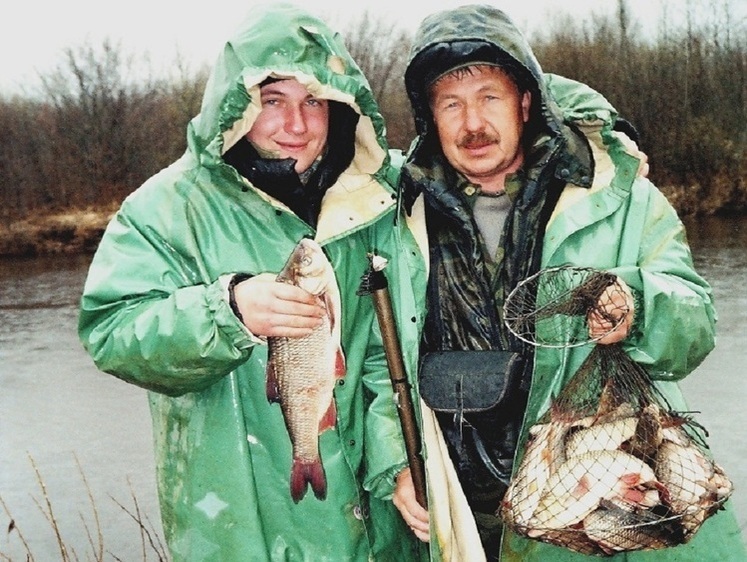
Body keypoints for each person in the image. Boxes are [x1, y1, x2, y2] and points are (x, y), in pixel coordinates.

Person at [390, 4, 747, 562]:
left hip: (597, 507)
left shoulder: (624, 199)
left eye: (490, 97)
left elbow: (697, 322)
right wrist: (398, 463)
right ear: (428, 118)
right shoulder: (393, 216)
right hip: (455, 508)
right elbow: (369, 359)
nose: (472, 124)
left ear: (526, 103)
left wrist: (639, 306)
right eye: (451, 105)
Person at [77, 3, 429, 561]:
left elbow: (393, 359)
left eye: (313, 100)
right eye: (273, 101)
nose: (296, 124)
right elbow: (112, 333)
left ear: (340, 108)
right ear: (237, 106)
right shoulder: (168, 209)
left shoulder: (378, 201)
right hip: (237, 529)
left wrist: (399, 467)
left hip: (377, 529)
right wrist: (228, 311)